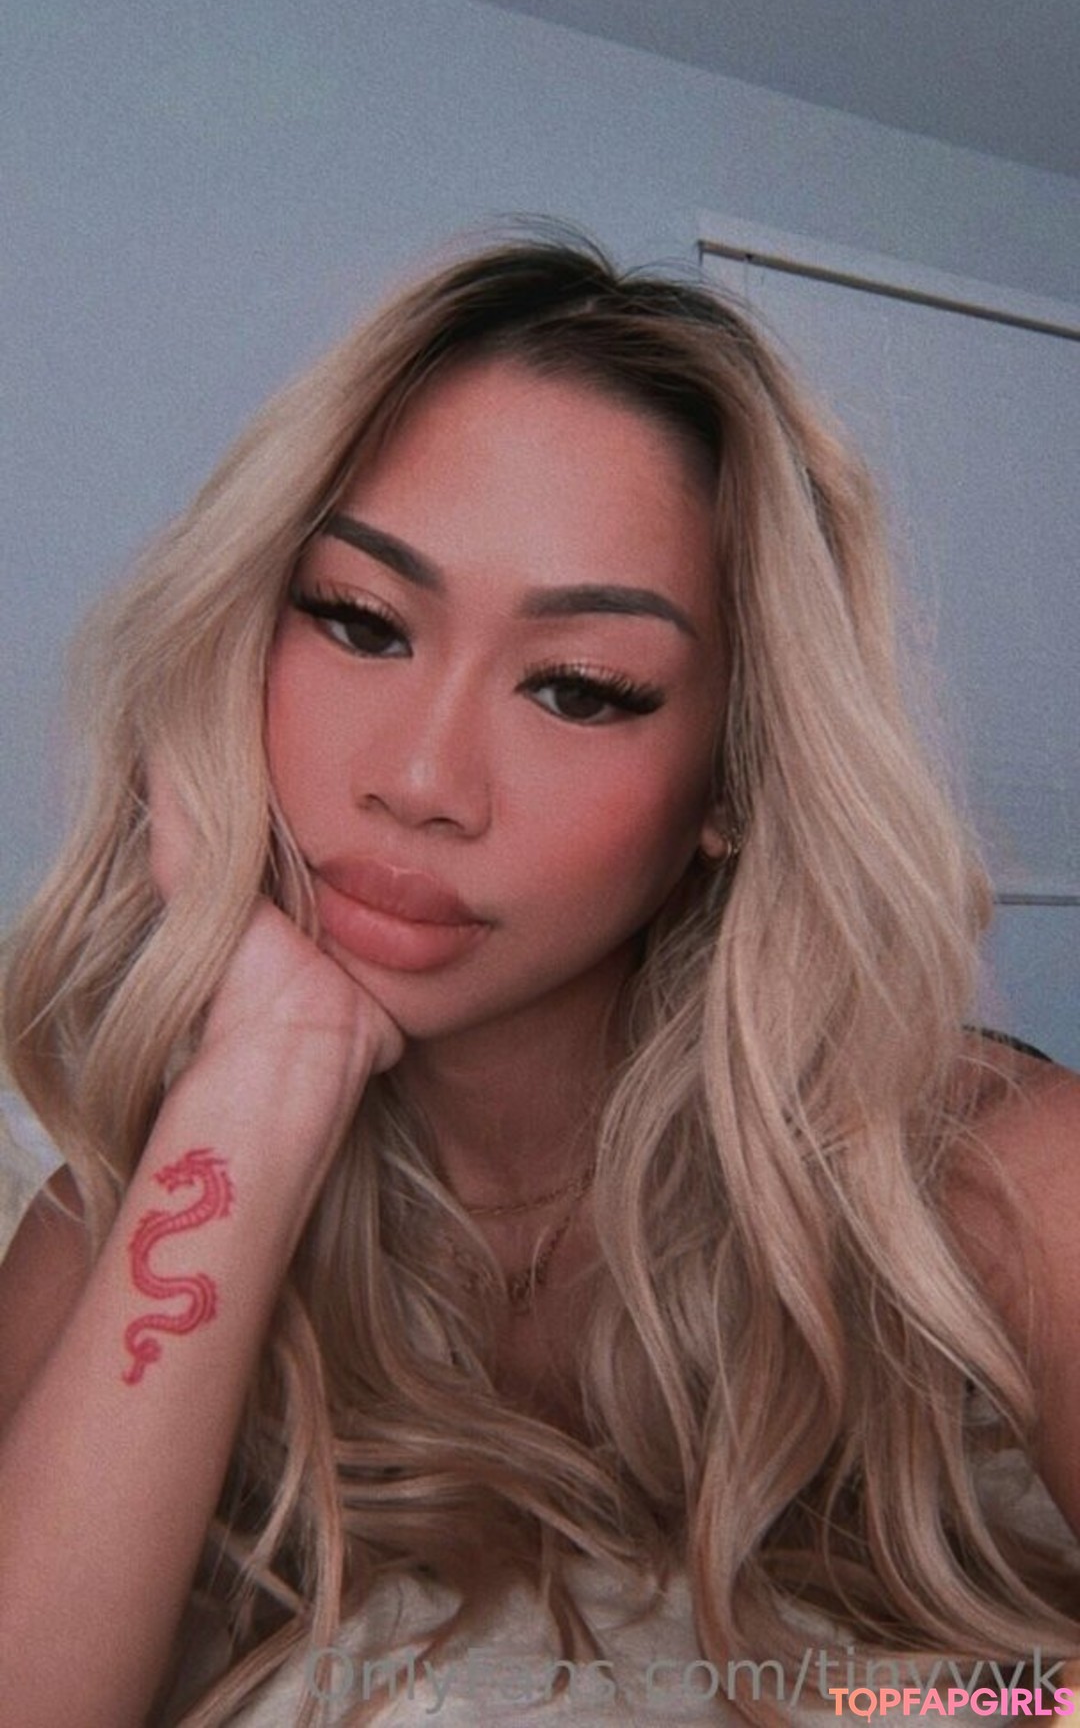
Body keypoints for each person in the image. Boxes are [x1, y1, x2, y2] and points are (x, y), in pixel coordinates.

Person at [0, 233, 1077, 1728]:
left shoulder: (999, 1177)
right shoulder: (117, 1216)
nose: (421, 780)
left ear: (728, 782)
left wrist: (911, 1713)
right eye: (360, 621)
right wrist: (271, 1062)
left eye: (581, 688)